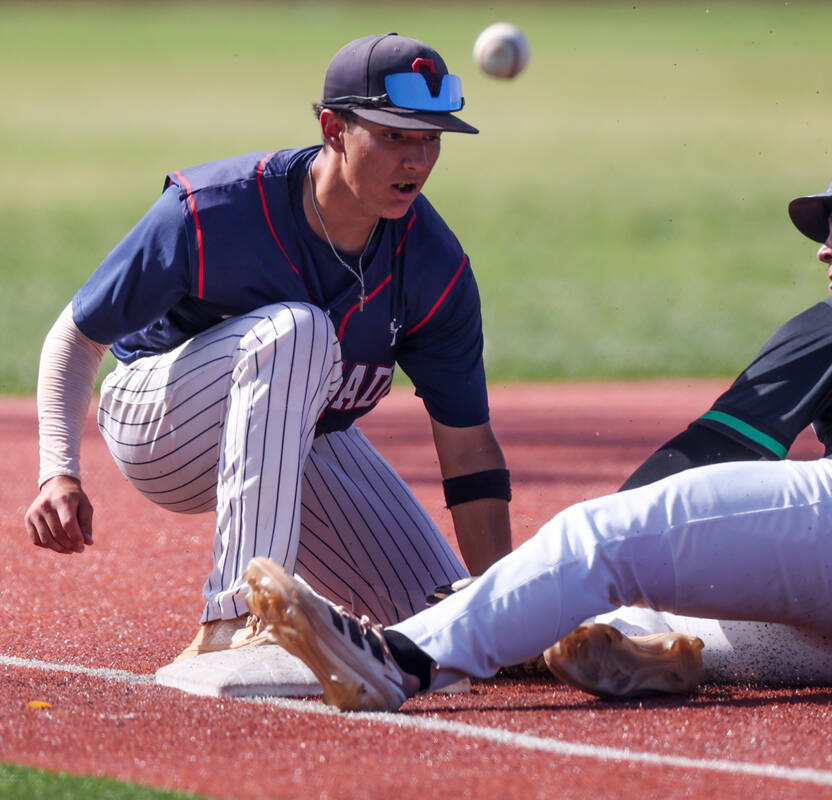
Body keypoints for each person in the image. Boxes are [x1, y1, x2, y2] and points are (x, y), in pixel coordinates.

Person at [242, 140, 832, 711]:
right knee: (640, 619)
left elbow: (717, 449)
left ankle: (403, 660)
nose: (827, 243)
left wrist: (594, 540)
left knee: (600, 543)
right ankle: (622, 653)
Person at [23, 33, 514, 663]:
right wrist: (59, 471)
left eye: (431, 137)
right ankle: (236, 618)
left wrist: (508, 605)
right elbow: (79, 332)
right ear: (334, 129)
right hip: (157, 423)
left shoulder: (433, 267)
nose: (417, 159)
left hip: (293, 438)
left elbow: (469, 447)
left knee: (448, 625)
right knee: (300, 330)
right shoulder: (215, 211)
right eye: (394, 135)